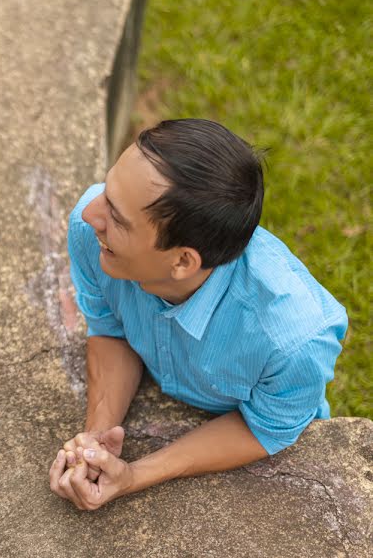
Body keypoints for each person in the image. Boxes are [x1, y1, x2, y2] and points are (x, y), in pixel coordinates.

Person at [49, 119, 348, 510]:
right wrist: (95, 446)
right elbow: (111, 330)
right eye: (107, 190)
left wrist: (136, 475)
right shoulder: (90, 235)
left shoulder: (295, 342)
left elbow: (266, 428)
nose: (90, 213)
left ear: (182, 262)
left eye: (117, 218)